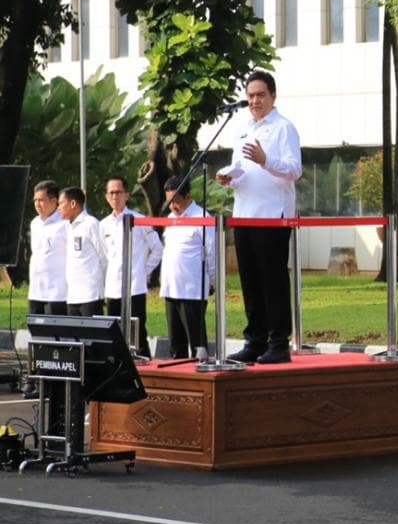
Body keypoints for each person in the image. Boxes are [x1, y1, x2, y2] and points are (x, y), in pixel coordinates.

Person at [218, 71, 302, 365]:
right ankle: (255, 341)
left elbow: (294, 170)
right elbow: (241, 170)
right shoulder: (242, 130)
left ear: (273, 96)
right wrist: (229, 178)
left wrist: (266, 160)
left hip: (272, 216)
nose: (255, 101)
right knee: (250, 282)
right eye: (251, 95)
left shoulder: (283, 128)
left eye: (261, 95)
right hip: (244, 215)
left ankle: (279, 344)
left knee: (272, 281)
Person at [100, 175, 163, 357]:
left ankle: (145, 366)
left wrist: (145, 271)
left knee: (137, 333)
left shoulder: (139, 220)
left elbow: (157, 249)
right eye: (111, 193)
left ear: (126, 195)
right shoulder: (103, 224)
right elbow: (105, 255)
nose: (115, 196)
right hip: (113, 287)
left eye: (118, 192)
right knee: (115, 333)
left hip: (135, 286)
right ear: (106, 197)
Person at [160, 176, 217, 360]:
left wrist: (212, 281)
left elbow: (212, 253)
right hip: (171, 288)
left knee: (197, 345)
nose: (172, 206)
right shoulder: (170, 218)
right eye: (169, 201)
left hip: (192, 290)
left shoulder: (202, 217)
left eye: (175, 201)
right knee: (176, 345)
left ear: (187, 196)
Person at [24, 180, 68, 397]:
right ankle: (36, 379)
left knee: (55, 339)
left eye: (41, 200)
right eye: (35, 200)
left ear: (53, 200)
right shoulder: (35, 223)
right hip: (36, 290)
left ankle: (54, 382)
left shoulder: (64, 224)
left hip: (57, 291)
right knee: (37, 336)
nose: (38, 204)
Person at [58, 186, 105, 317]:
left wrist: (102, 287)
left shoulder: (91, 224)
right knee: (74, 330)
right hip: (73, 295)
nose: (58, 208)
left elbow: (104, 257)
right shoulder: (68, 227)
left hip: (91, 295)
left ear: (73, 203)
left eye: (61, 203)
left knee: (92, 330)